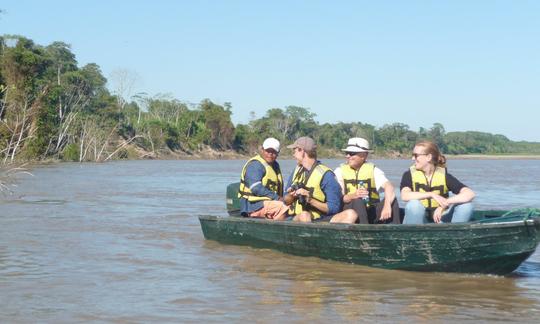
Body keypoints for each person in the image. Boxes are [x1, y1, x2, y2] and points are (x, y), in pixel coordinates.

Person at [400, 140, 476, 224]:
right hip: (420, 220)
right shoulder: (409, 175)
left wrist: (445, 203)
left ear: (428, 157)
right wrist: (431, 194)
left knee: (466, 206)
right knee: (413, 205)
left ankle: (454, 234)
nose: (413, 158)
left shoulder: (444, 176)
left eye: (416, 155)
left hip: (440, 219)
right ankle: (415, 235)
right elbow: (405, 195)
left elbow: (470, 194)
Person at [285, 136, 357, 223]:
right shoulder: (296, 171)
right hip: (296, 218)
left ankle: (316, 234)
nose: (293, 155)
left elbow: (334, 208)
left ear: (302, 151)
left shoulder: (327, 175)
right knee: (304, 215)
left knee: (351, 214)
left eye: (295, 151)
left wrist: (310, 200)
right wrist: (291, 196)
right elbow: (285, 201)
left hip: (319, 220)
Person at [334, 137, 401, 224]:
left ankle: (395, 233)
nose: (348, 156)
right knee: (358, 201)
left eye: (352, 153)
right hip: (351, 211)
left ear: (364, 156)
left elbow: (389, 186)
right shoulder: (339, 171)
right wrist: (353, 195)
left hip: (370, 210)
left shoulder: (374, 170)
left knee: (392, 200)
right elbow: (340, 198)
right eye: (347, 153)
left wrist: (387, 205)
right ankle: (364, 232)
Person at [238, 137, 289, 220]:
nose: (270, 154)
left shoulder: (275, 166)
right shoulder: (255, 165)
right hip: (252, 205)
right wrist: (277, 198)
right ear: (262, 150)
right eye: (268, 151)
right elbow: (255, 187)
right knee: (281, 207)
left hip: (266, 202)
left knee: (292, 208)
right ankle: (276, 232)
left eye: (274, 152)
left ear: (278, 153)